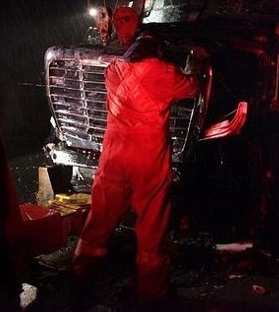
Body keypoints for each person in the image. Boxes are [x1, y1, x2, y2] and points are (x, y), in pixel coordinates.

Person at [71, 31, 200, 306]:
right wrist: (193, 69)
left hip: (114, 157)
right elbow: (191, 88)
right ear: (158, 51)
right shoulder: (165, 72)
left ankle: (80, 281)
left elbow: (117, 73)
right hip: (148, 159)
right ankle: (152, 294)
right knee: (152, 227)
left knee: (99, 222)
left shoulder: (115, 70)